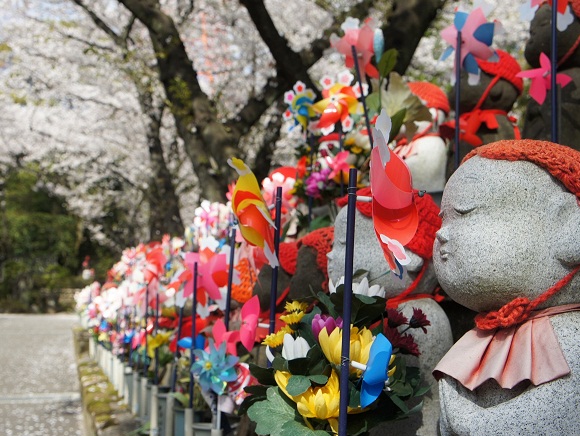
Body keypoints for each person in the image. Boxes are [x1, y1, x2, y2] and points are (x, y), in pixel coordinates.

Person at [433, 139, 580, 435]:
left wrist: (463, 417)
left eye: (464, 212)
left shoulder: (571, 337)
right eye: (444, 217)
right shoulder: (482, 336)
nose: (442, 234)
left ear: (567, 227)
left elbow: (555, 418)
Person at [329, 187, 453, 436]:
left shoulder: (416, 318)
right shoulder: (371, 314)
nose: (330, 254)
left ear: (408, 254)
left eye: (343, 243)